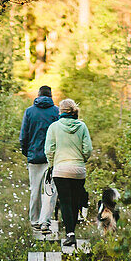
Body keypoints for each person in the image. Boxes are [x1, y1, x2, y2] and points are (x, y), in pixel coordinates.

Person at [44, 97, 92, 251]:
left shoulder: (54, 127)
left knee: (64, 202)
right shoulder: (82, 126)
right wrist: (81, 160)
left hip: (60, 169)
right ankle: (73, 230)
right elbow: (88, 150)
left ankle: (70, 234)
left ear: (60, 112)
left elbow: (49, 150)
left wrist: (52, 165)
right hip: (78, 170)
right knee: (74, 201)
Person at [19, 85, 59, 237]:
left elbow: (24, 136)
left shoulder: (29, 111)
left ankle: (35, 220)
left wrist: (27, 153)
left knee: (35, 190)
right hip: (52, 158)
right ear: (50, 95)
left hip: (34, 157)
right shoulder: (56, 111)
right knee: (50, 192)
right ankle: (45, 222)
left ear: (38, 95)